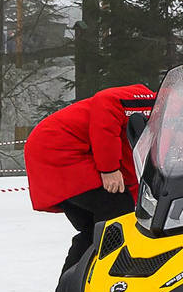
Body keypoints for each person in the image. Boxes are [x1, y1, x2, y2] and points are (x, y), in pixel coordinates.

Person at [24, 81, 157, 248]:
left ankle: (74, 274)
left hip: (53, 150)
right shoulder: (144, 103)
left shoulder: (159, 118)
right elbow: (106, 109)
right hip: (60, 150)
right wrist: (109, 169)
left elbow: (134, 158)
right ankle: (112, 269)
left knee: (93, 230)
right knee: (117, 212)